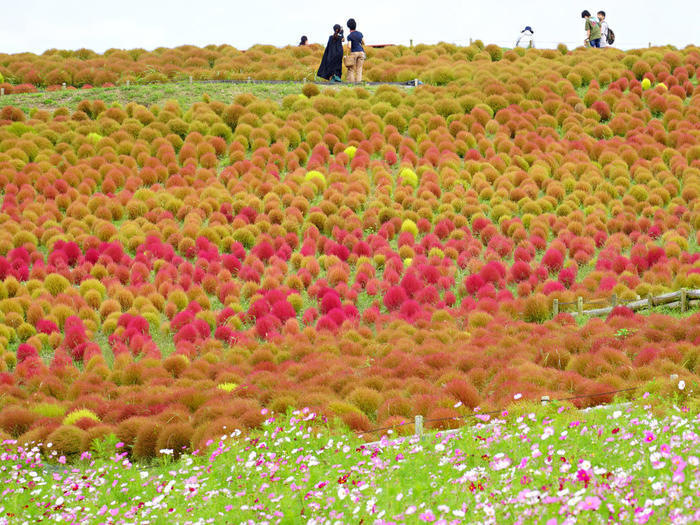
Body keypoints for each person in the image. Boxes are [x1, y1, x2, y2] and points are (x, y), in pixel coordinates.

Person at [345, 18, 365, 83]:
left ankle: (351, 84)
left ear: (348, 27)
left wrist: (348, 46)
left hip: (354, 53)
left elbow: (350, 46)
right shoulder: (360, 34)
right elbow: (363, 43)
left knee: (351, 69)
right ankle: (358, 83)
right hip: (361, 52)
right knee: (359, 69)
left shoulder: (349, 36)